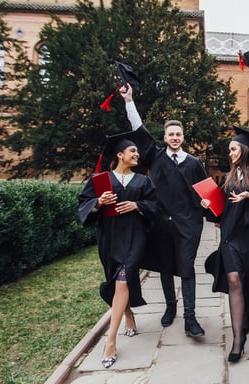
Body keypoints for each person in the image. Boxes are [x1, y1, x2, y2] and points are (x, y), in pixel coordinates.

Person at [119, 85, 208, 337]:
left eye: (178, 134)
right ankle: (171, 307)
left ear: (183, 137)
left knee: (187, 269)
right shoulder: (155, 157)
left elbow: (207, 192)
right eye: (170, 134)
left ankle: (190, 317)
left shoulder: (194, 163)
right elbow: (139, 132)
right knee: (166, 268)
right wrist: (129, 101)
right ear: (166, 137)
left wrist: (209, 208)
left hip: (188, 225)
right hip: (161, 223)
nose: (174, 137)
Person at [78, 133, 158, 368]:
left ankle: (110, 342)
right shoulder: (100, 180)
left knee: (123, 280)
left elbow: (155, 207)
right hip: (109, 237)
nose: (137, 154)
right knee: (115, 281)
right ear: (120, 155)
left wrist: (137, 205)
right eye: (132, 151)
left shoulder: (143, 181)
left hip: (134, 235)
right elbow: (83, 204)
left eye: (137, 151)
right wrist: (99, 203)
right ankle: (128, 314)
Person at [201, 127, 249, 363]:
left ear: (243, 150)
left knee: (245, 282)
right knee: (233, 280)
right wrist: (209, 206)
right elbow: (223, 208)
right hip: (231, 237)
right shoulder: (230, 176)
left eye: (233, 149)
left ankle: (244, 320)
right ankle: (237, 341)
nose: (230, 153)